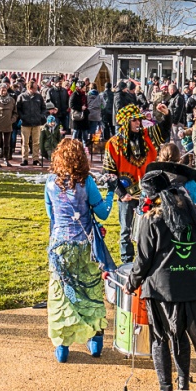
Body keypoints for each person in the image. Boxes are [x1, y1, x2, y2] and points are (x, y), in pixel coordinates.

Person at [124, 170, 196, 391]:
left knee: (160, 337)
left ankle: (165, 389)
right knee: (180, 335)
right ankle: (183, 387)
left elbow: (143, 260)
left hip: (162, 289)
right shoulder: (192, 211)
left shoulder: (151, 219)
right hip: (192, 282)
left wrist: (131, 283)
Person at [44, 138, 116, 363]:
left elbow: (51, 216)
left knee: (63, 294)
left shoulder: (49, 183)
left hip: (59, 247)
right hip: (85, 247)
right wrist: (112, 193)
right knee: (90, 292)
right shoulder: (87, 184)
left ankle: (63, 345)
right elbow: (103, 213)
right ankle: (95, 342)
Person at [103, 105, 163, 265]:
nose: (139, 123)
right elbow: (109, 173)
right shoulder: (113, 144)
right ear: (125, 122)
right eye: (135, 120)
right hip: (127, 196)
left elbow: (163, 132)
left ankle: (148, 260)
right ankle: (127, 262)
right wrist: (122, 194)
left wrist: (167, 115)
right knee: (126, 231)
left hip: (148, 194)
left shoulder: (146, 137)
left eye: (140, 120)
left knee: (150, 227)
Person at [0, 82, 18, 168]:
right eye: (1, 90)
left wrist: (12, 120)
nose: (3, 92)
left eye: (4, 90)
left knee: (7, 143)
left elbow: (15, 113)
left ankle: (6, 159)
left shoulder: (11, 100)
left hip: (8, 124)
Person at [17, 80, 46, 167]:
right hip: (25, 123)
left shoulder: (39, 97)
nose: (36, 89)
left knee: (36, 142)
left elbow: (43, 108)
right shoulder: (22, 96)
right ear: (30, 88)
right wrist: (23, 117)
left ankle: (35, 159)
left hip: (36, 123)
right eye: (34, 88)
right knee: (25, 142)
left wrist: (40, 116)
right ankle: (24, 159)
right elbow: (18, 109)